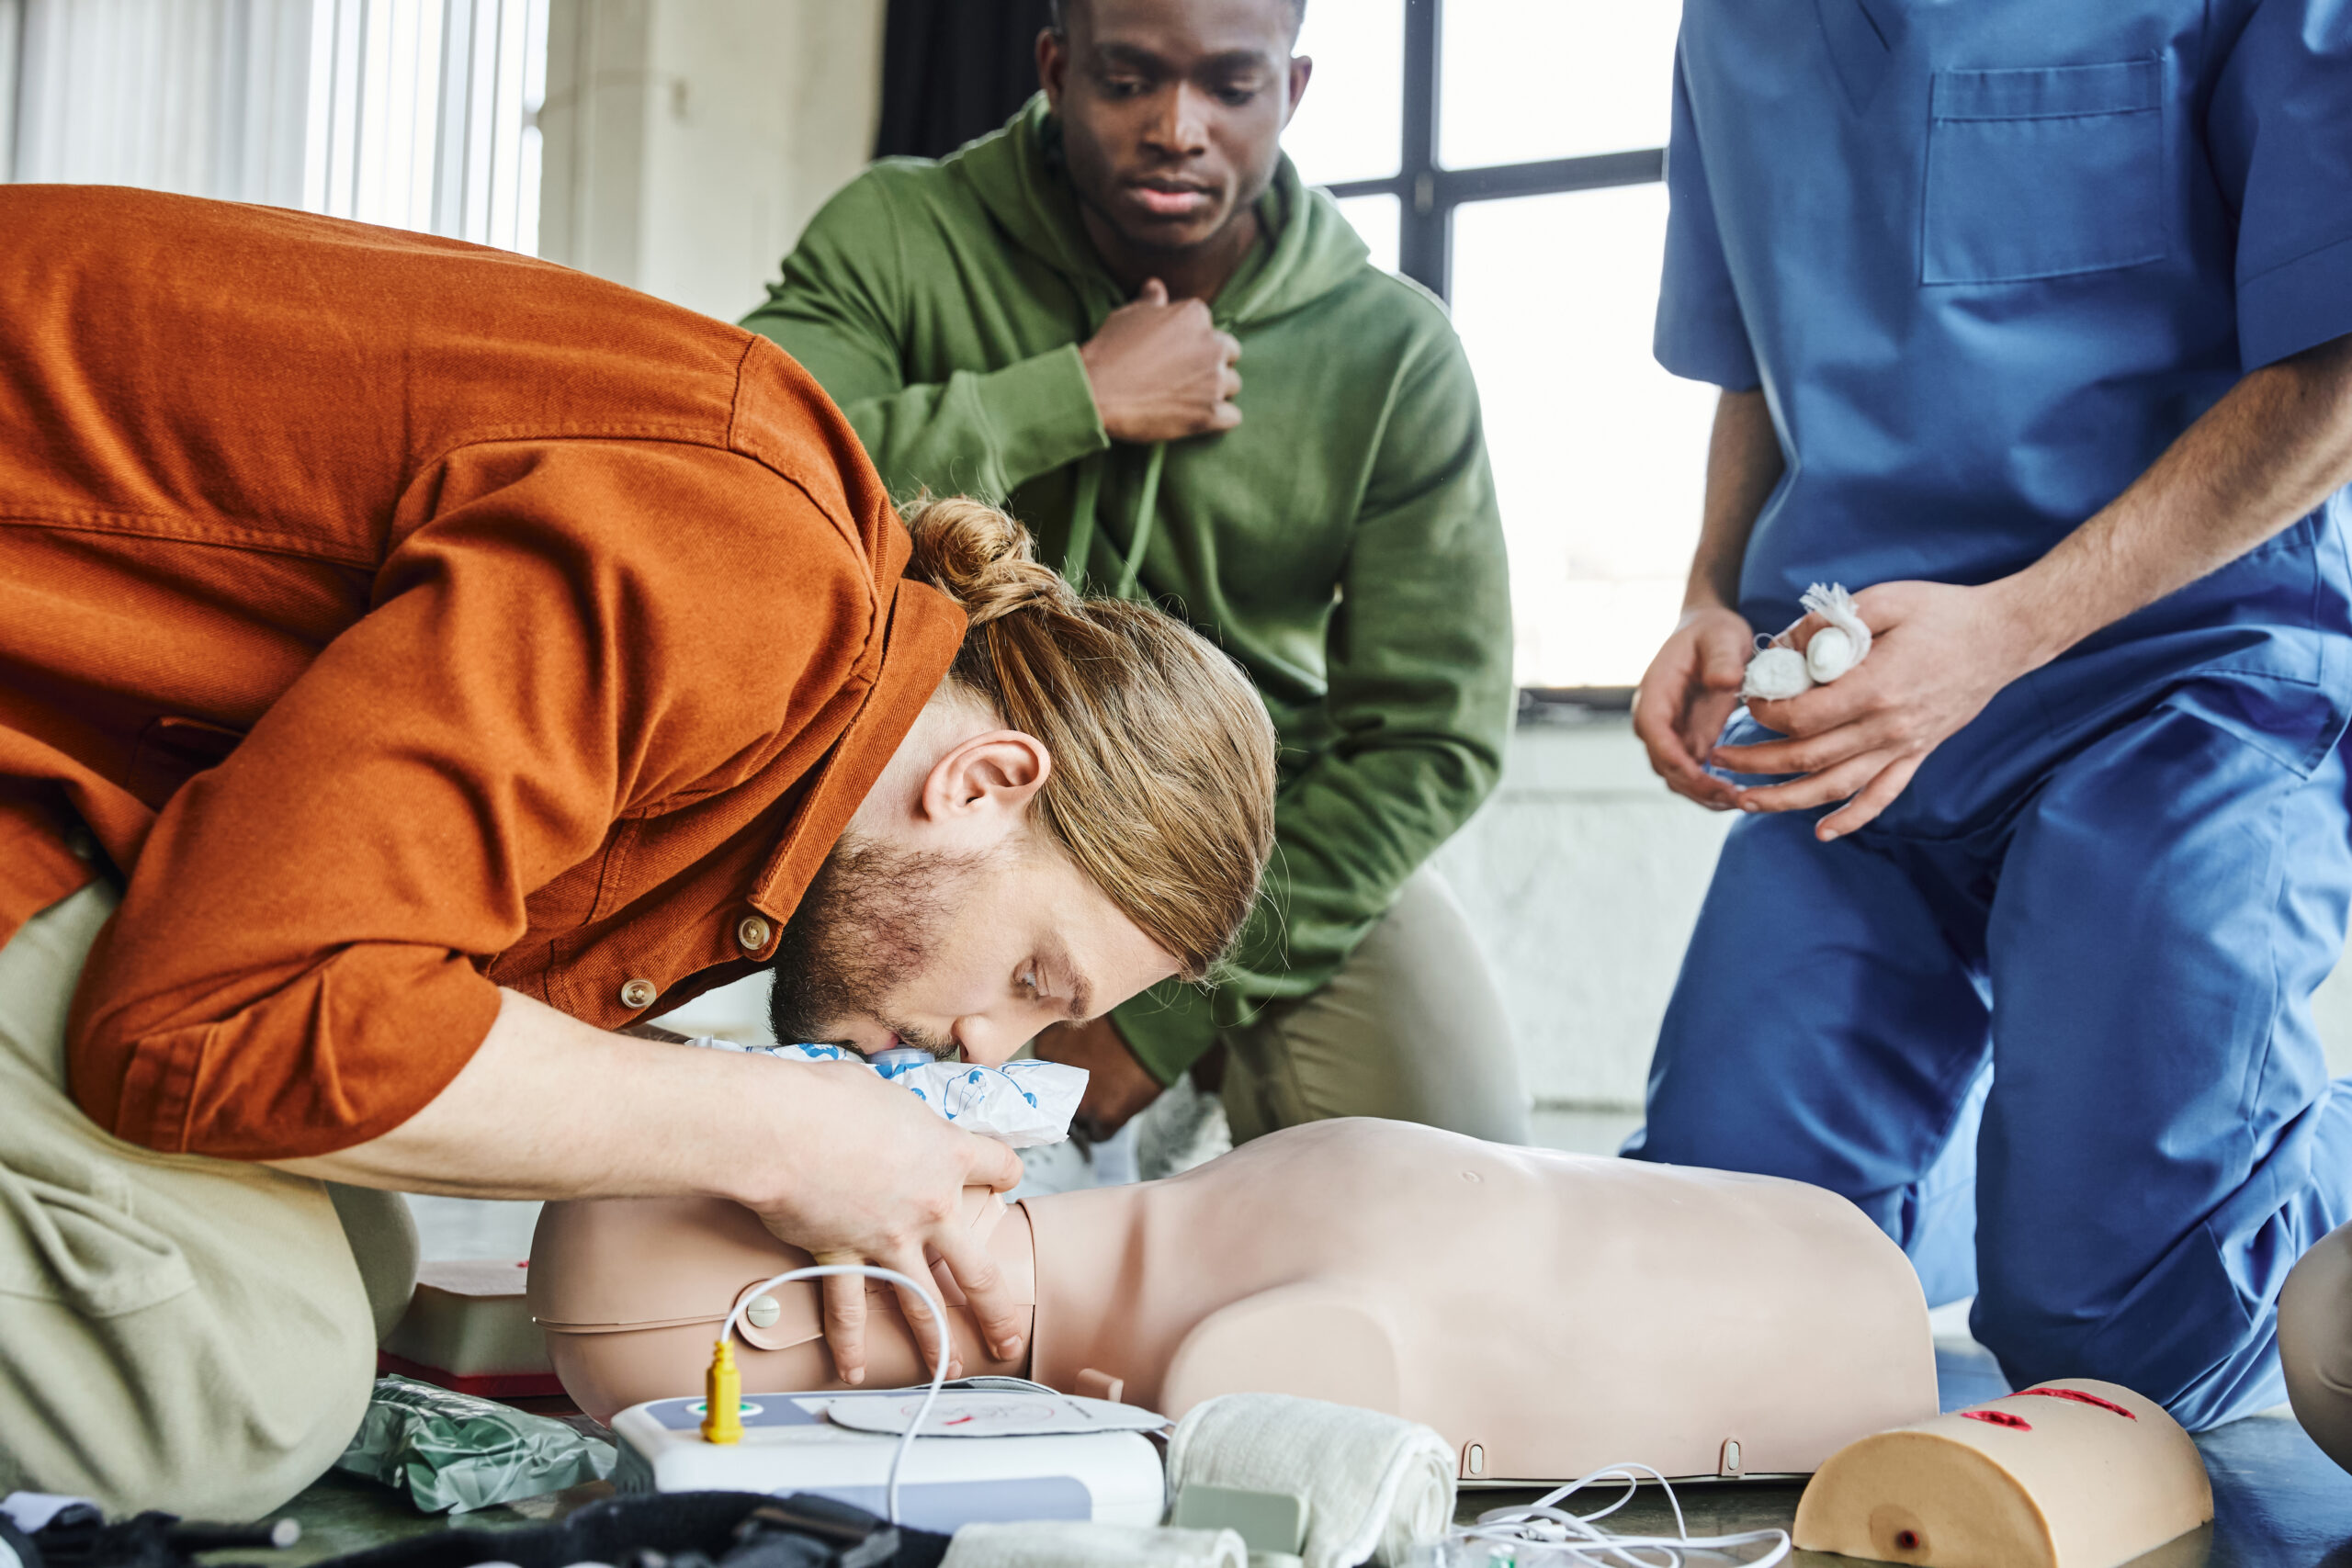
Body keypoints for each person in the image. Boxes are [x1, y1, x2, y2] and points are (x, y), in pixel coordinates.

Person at [0, 185, 1277, 1515]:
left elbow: (394, 967)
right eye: (1031, 981)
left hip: (59, 757)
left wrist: (798, 1133)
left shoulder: (780, 745)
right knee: (232, 1376)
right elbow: (221, 1019)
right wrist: (778, 1132)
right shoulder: (744, 576)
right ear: (983, 783)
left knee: (360, 1241)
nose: (987, 1051)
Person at [1625, 0, 2352, 1432]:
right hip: (1858, 715)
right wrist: (1710, 589)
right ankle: (2037, 1163)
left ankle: (2219, 1159)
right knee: (1702, 1296)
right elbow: (1761, 360)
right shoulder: (1731, 25)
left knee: (2111, 1353)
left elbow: (2335, 366)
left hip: (2176, 677)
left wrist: (2006, 634)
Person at [741, 0, 1527, 1148]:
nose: (1176, 126)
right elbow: (745, 479)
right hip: (928, 798)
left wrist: (1142, 1019)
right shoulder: (902, 231)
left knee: (1456, 1154)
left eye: (1230, 86)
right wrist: (1073, 400)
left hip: (1266, 845)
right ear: (1054, 71)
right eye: (1127, 79)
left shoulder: (1393, 351)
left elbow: (1431, 734)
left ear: (1292, 90)